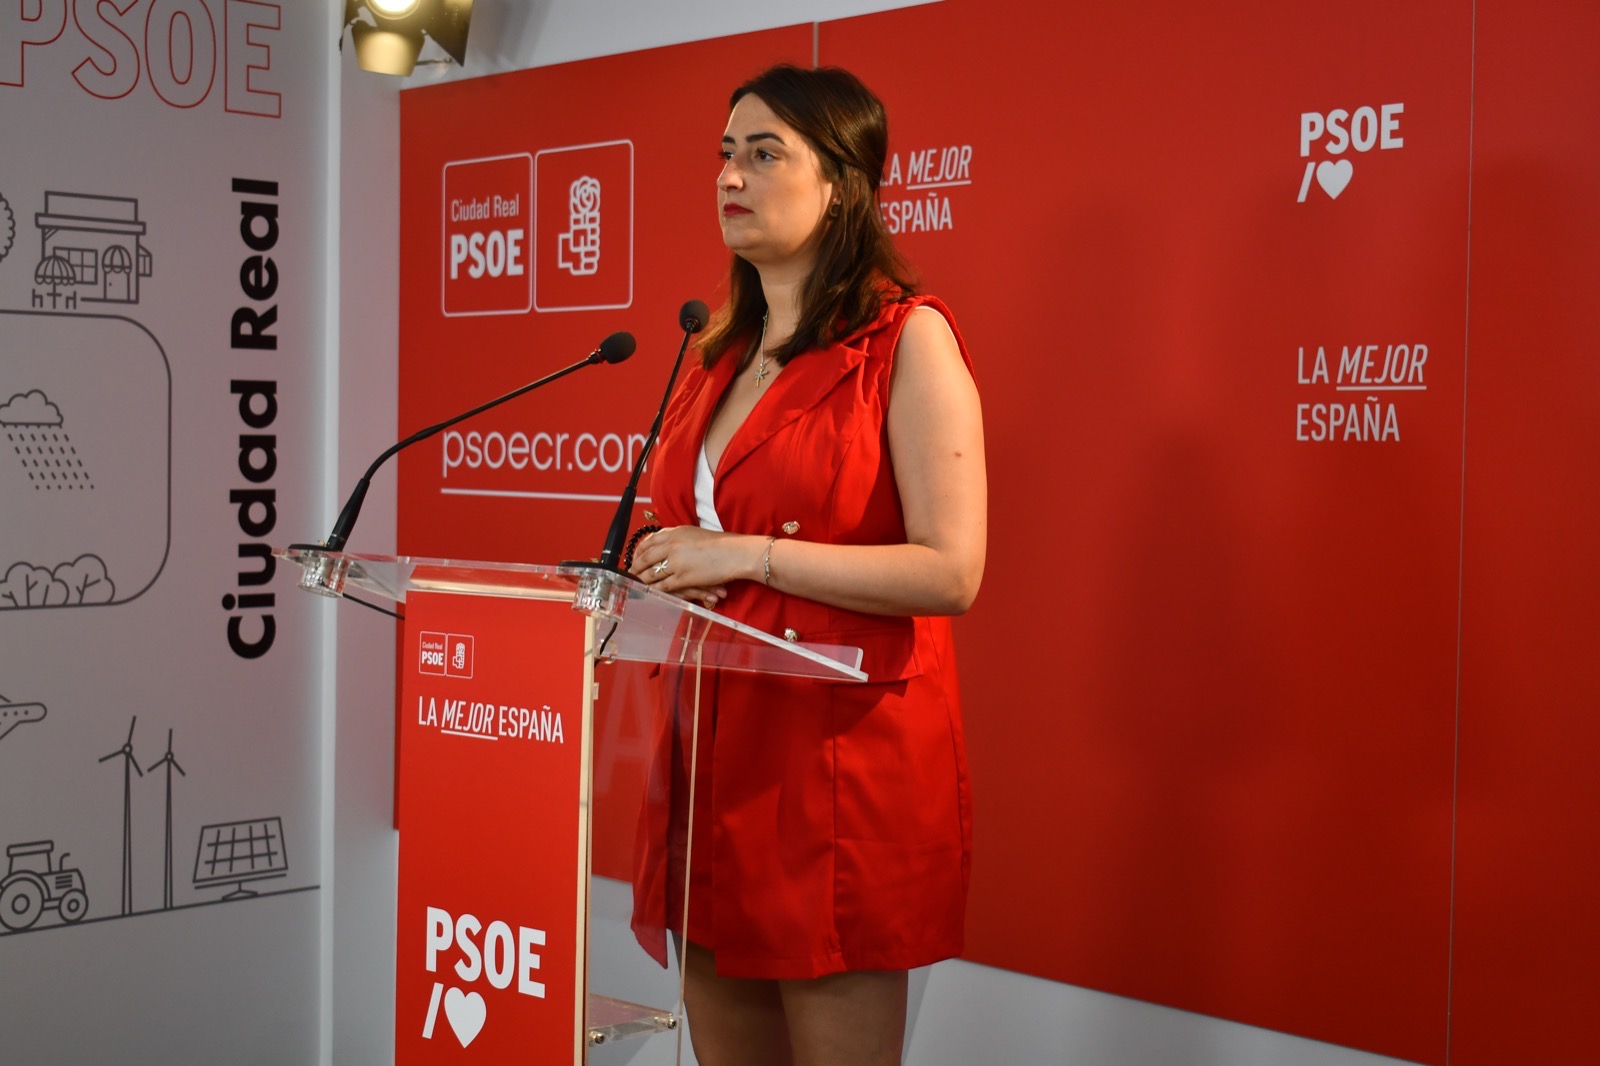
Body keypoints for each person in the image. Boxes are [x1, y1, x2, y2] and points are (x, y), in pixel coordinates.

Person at [627, 64, 986, 1066]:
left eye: (762, 153)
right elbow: (676, 545)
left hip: (838, 771)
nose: (730, 177)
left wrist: (748, 555)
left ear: (840, 183)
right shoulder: (714, 355)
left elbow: (952, 571)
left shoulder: (907, 340)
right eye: (723, 155)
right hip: (711, 766)